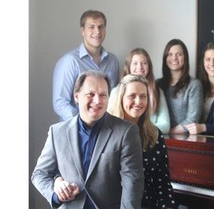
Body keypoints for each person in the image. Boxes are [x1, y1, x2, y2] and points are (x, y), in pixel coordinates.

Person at [31, 70, 144, 208]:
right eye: (91, 94)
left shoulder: (126, 132)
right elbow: (39, 174)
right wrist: (55, 195)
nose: (97, 101)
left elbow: (132, 183)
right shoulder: (57, 132)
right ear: (77, 97)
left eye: (103, 95)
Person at [108, 74, 177, 209]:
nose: (138, 102)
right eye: (132, 96)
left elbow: (163, 184)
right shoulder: (107, 132)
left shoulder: (155, 135)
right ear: (121, 99)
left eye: (143, 96)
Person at [53, 9, 120, 121]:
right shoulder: (69, 61)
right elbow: (60, 103)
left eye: (101, 26)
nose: (97, 31)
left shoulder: (112, 61)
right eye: (91, 27)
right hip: (76, 130)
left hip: (105, 129)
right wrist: (83, 123)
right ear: (82, 30)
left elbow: (113, 99)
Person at [108, 48, 170, 134]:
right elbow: (109, 122)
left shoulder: (158, 92)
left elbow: (165, 125)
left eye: (144, 63)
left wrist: (143, 131)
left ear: (149, 66)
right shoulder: (116, 91)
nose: (140, 67)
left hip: (150, 138)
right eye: (135, 63)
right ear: (128, 66)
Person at [157, 38, 203, 134]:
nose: (174, 58)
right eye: (170, 54)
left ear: (185, 58)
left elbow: (192, 120)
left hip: (183, 140)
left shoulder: (194, 85)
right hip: (159, 138)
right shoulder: (157, 84)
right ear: (165, 58)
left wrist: (168, 133)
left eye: (179, 54)